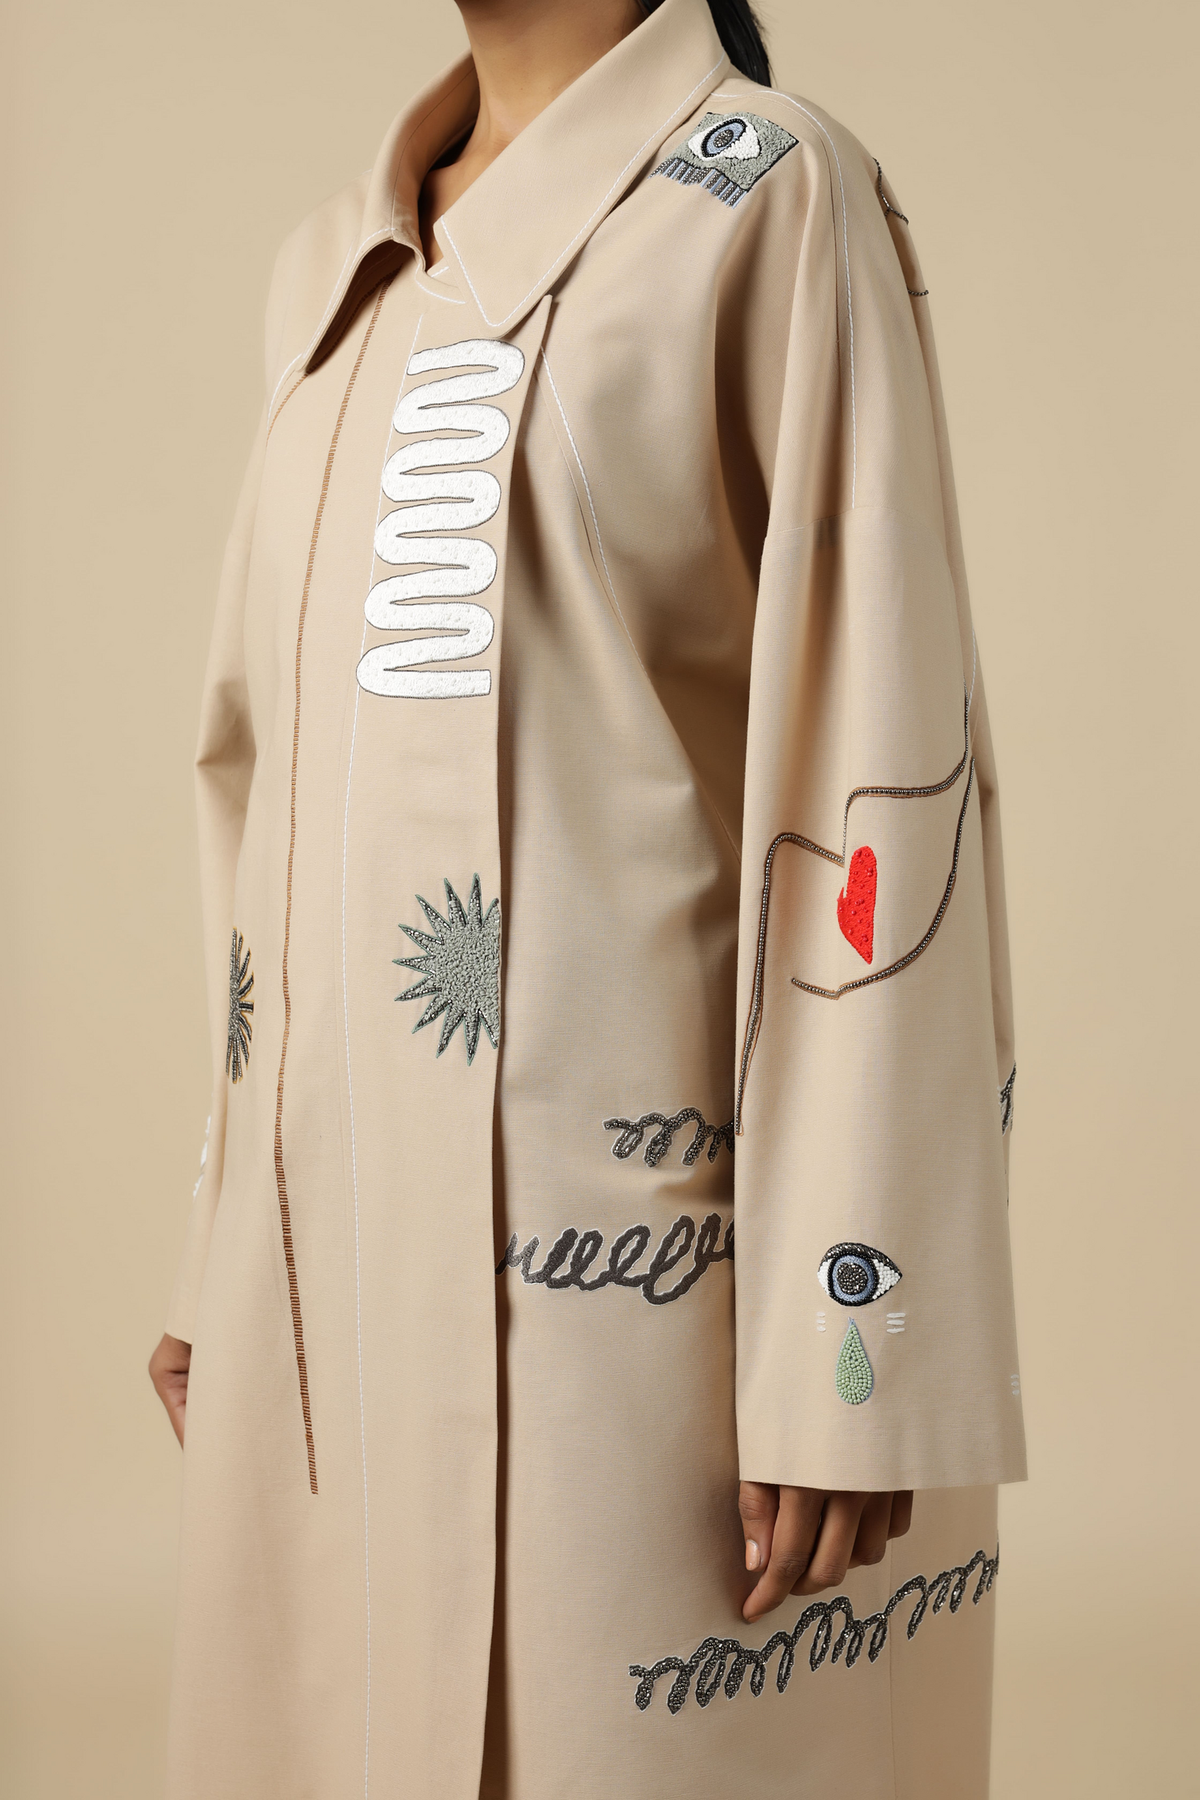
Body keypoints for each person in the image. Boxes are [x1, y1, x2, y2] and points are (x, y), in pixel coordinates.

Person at [150, 0, 1025, 1793]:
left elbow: (880, 761)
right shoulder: (332, 272)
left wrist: (853, 1337)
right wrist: (227, 1232)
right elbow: (258, 782)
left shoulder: (768, 195)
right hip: (328, 1307)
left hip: (640, 1306)